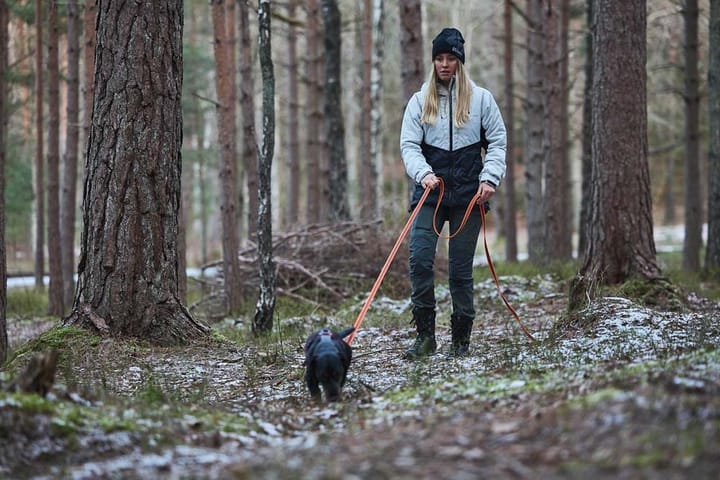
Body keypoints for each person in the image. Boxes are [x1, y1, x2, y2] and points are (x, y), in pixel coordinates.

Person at [399, 27, 507, 358]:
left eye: (451, 59)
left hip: (468, 197)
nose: (444, 65)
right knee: (419, 260)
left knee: (460, 271)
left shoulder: (482, 100)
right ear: (433, 62)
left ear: (460, 62)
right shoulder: (419, 101)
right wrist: (424, 173)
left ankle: (460, 340)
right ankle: (426, 336)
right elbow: (409, 146)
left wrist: (490, 179)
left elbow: (498, 141)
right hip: (429, 195)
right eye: (439, 59)